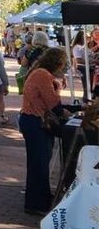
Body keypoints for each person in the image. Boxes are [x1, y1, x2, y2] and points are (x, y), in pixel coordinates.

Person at [19, 47, 72, 216]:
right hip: (35, 121)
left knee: (39, 163)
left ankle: (39, 199)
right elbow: (53, 103)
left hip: (34, 120)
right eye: (63, 64)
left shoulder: (40, 73)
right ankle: (36, 203)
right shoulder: (42, 74)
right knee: (39, 163)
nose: (64, 67)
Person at [71, 30, 89, 102]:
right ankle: (85, 102)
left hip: (85, 68)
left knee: (87, 87)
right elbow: (78, 60)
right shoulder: (77, 47)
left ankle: (86, 101)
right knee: (86, 87)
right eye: (86, 37)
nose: (87, 39)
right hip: (83, 68)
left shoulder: (81, 46)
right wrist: (90, 61)